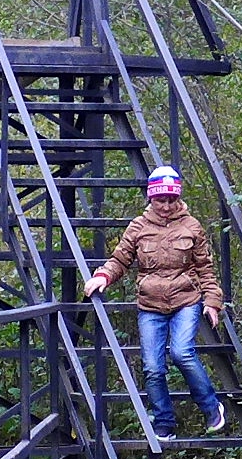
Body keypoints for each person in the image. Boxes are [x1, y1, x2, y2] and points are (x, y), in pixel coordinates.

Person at [82, 165, 228, 437]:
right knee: (152, 366)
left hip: (186, 298)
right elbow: (121, 259)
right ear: (151, 198)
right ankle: (164, 422)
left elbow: (205, 268)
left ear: (178, 199)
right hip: (150, 304)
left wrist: (212, 301)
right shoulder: (138, 227)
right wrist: (103, 276)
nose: (166, 206)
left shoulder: (191, 226)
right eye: (161, 200)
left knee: (182, 353)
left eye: (171, 200)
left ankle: (211, 408)